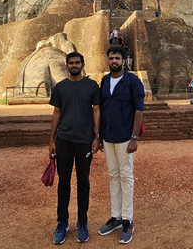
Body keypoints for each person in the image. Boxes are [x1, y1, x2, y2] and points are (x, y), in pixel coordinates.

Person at [49, 52, 101, 244]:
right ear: (67, 65)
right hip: (63, 139)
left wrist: (97, 136)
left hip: (84, 140)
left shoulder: (91, 86)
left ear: (82, 64)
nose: (74, 65)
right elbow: (56, 113)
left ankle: (82, 222)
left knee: (83, 182)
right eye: (71, 63)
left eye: (77, 63)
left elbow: (97, 110)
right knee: (63, 183)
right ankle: (62, 222)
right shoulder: (61, 87)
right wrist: (51, 139)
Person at [98, 46, 145, 244]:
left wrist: (134, 137)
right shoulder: (105, 80)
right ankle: (116, 216)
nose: (114, 61)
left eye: (117, 58)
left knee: (126, 176)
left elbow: (139, 110)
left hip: (126, 136)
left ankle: (127, 219)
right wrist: (98, 135)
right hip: (108, 136)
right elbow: (100, 107)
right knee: (113, 175)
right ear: (108, 60)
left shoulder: (132, 80)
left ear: (124, 60)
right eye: (111, 58)